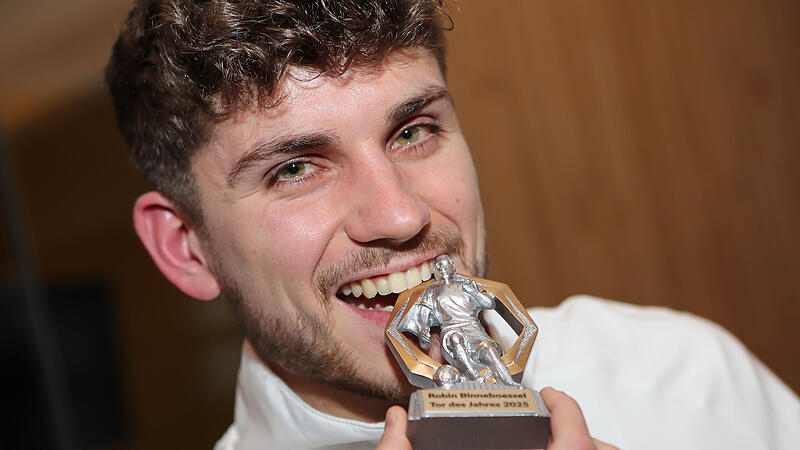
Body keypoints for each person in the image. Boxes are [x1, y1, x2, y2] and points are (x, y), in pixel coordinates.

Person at [105, 1, 800, 449]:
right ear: (185, 249)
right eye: (295, 169)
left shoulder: (682, 378)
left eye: (412, 131)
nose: (402, 215)